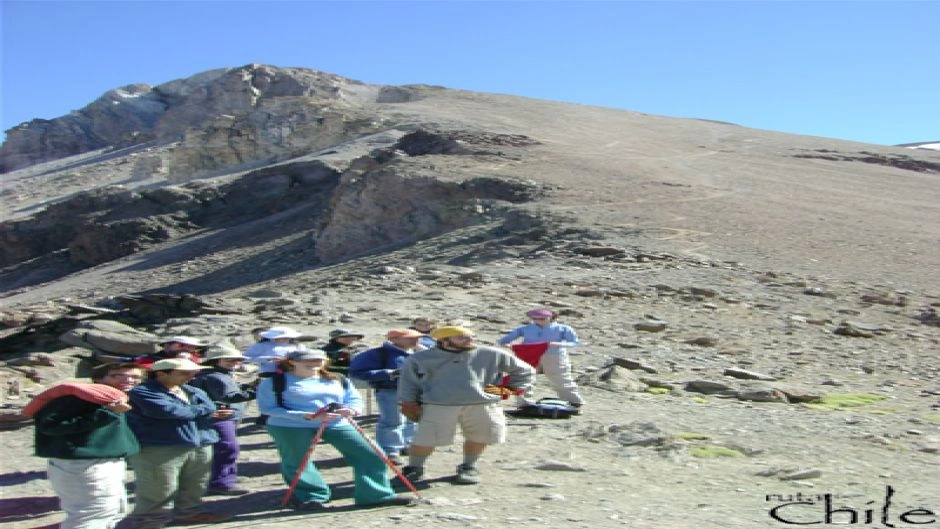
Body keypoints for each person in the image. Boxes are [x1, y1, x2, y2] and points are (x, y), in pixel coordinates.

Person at [257, 349, 410, 510]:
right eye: (308, 360)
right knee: (298, 462)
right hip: (290, 426)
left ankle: (376, 495)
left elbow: (354, 399)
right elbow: (268, 408)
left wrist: (351, 410)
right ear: (292, 362)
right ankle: (311, 497)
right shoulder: (273, 382)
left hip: (337, 423)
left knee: (372, 453)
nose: (315, 363)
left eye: (319, 360)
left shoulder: (337, 379)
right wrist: (307, 416)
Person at [397, 325, 535, 485]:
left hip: (482, 404)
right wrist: (408, 402)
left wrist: (506, 390)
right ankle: (414, 468)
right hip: (438, 404)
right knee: (425, 439)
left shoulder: (490, 354)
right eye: (461, 337)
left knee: (479, 436)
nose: (469, 340)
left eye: (471, 336)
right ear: (444, 341)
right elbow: (409, 382)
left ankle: (469, 466)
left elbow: (525, 371)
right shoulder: (420, 358)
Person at [29, 362, 144, 529]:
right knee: (93, 513)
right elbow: (50, 426)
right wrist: (106, 412)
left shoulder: (112, 397)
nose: (128, 380)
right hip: (84, 465)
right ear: (98, 378)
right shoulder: (76, 397)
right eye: (117, 375)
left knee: (113, 510)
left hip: (104, 463)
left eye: (135, 377)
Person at [123, 358, 232, 528]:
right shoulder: (142, 392)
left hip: (199, 442)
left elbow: (200, 408)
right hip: (160, 446)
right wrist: (206, 410)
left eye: (193, 373)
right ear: (161, 373)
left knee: (196, 483)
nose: (190, 376)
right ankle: (148, 520)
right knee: (158, 486)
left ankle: (189, 512)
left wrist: (208, 411)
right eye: (184, 373)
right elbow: (170, 411)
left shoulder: (191, 390)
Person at [189, 343, 256, 496]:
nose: (234, 363)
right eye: (229, 360)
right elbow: (230, 397)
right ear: (216, 360)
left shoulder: (216, 374)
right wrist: (256, 391)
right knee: (227, 448)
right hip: (220, 417)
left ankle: (220, 478)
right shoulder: (217, 376)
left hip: (216, 416)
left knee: (218, 448)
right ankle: (221, 482)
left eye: (236, 360)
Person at [347, 328, 423, 465]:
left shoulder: (420, 352)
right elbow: (356, 372)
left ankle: (407, 444)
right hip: (390, 391)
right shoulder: (376, 354)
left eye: (418, 337)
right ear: (394, 339)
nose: (416, 340)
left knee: (412, 419)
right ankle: (390, 450)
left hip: (415, 392)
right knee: (392, 421)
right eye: (410, 338)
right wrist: (388, 373)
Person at [497, 309, 585, 408]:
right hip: (529, 356)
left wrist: (557, 344)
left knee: (560, 378)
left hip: (554, 356)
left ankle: (574, 402)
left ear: (551, 317)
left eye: (542, 319)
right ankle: (524, 402)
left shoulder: (563, 328)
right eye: (534, 319)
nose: (538, 321)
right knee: (524, 378)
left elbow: (574, 343)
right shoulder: (526, 328)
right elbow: (503, 340)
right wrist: (509, 346)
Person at [133, 336, 207, 368]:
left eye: (191, 347)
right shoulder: (147, 360)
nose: (186, 349)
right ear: (167, 346)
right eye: (181, 345)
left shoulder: (194, 358)